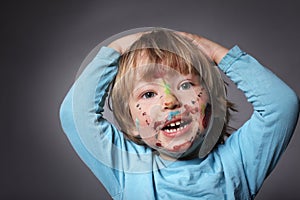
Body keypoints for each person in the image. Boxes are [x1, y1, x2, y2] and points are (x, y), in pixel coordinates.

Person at [59, 28, 299, 199]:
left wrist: (217, 54)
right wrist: (117, 49)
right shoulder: (127, 167)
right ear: (132, 122)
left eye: (185, 86)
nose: (171, 101)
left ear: (213, 102)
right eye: (148, 95)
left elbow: (281, 105)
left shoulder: (237, 164)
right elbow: (74, 115)